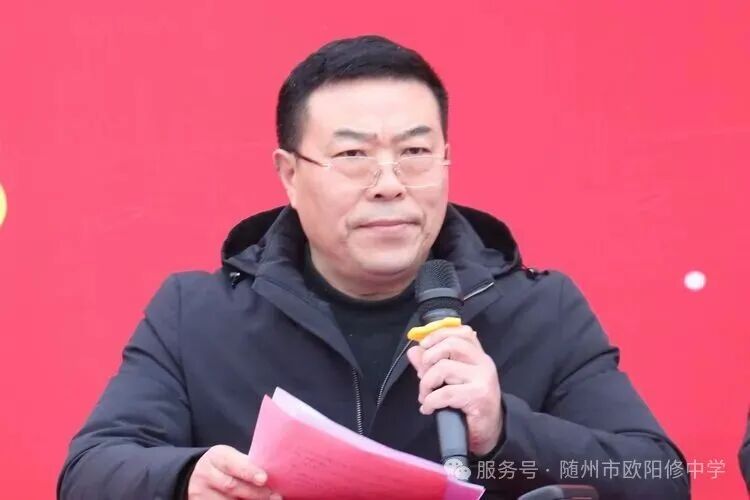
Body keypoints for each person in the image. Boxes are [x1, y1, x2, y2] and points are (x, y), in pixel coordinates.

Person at [58, 35, 690, 499]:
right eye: (354, 156)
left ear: (446, 160)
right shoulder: (195, 315)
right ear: (289, 175)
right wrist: (185, 479)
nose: (389, 183)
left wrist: (504, 432)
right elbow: (89, 471)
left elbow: (659, 477)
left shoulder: (539, 309)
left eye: (415, 151)